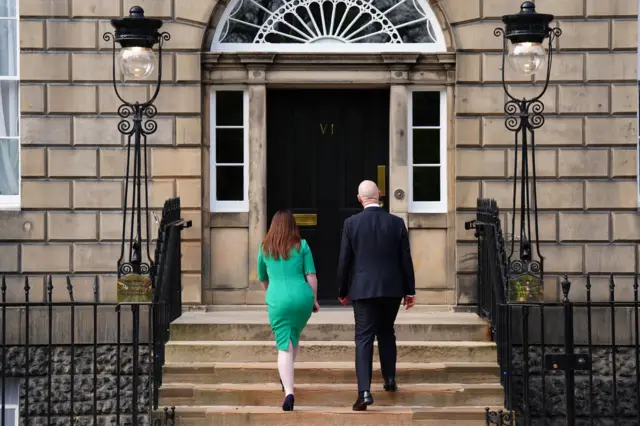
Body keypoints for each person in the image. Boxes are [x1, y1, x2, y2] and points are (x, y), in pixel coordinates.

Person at [336, 180, 416, 411]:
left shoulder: (351, 223)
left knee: (364, 338)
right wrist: (409, 290)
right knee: (386, 332)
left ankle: (364, 392)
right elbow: (405, 259)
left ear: (359, 198)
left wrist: (342, 291)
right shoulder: (396, 222)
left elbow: (344, 262)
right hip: (392, 288)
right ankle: (389, 380)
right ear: (379, 195)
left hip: (363, 289)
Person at [257, 210, 320, 412]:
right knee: (292, 336)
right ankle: (286, 376)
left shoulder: (264, 249)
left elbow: (262, 278)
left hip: (277, 298)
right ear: (293, 226)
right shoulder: (302, 246)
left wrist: (272, 294)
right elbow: (311, 276)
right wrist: (314, 300)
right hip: (302, 297)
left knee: (284, 345)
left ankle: (289, 392)